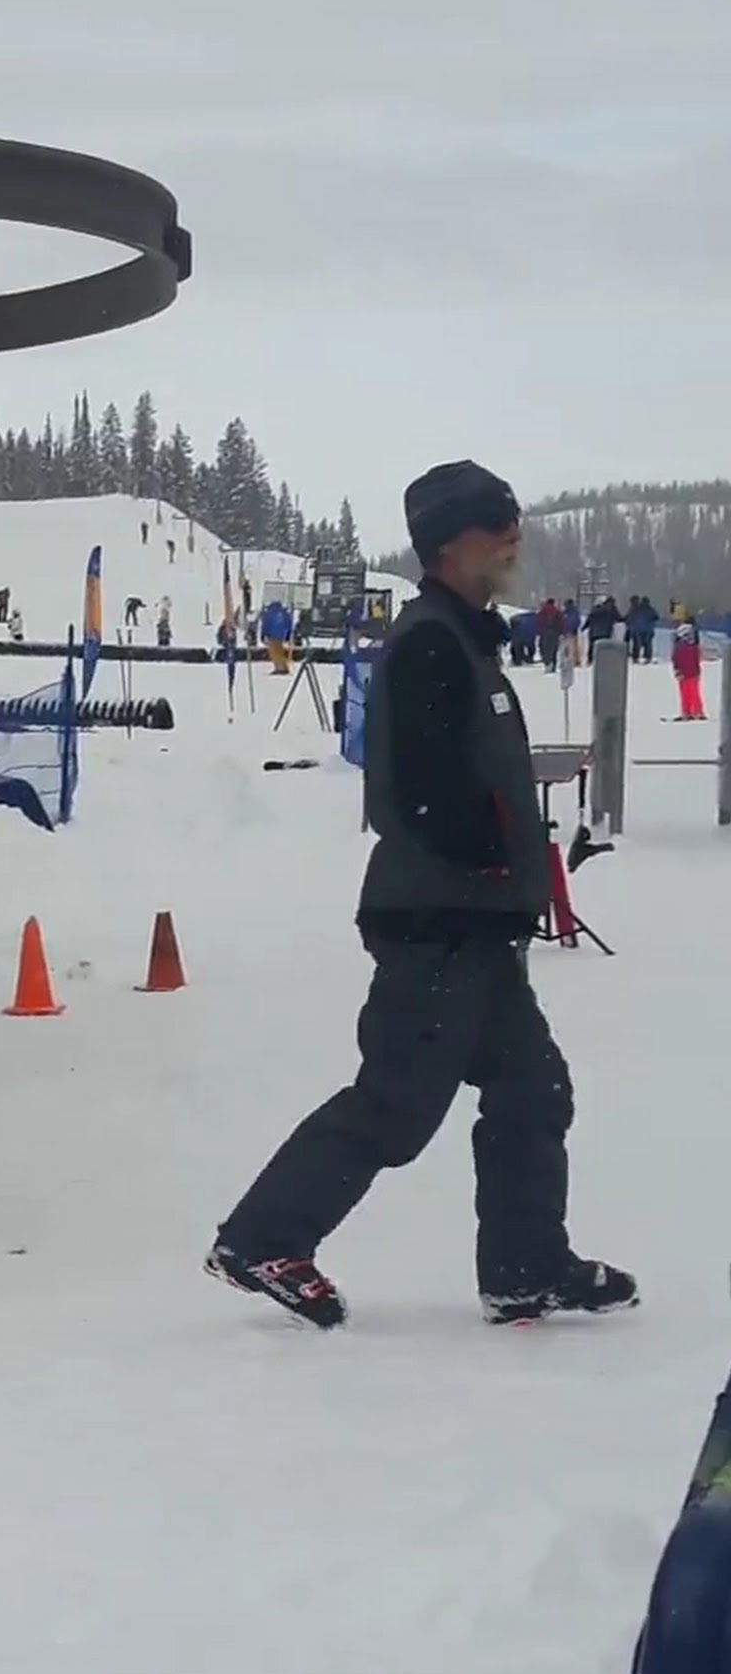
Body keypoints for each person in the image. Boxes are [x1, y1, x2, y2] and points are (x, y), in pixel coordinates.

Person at [206, 460, 638, 1330]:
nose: (514, 535)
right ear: (449, 543)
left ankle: (525, 1265)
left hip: (476, 923)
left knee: (531, 1091)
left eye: (513, 520)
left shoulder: (464, 635)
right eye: (497, 524)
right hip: (438, 923)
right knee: (399, 1100)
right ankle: (263, 1239)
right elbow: (419, 790)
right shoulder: (432, 643)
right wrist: (485, 856)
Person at [673, 620, 706, 720]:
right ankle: (693, 711)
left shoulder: (679, 648)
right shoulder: (693, 648)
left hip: (687, 673)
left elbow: (675, 660)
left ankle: (690, 711)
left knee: (688, 693)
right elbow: (698, 659)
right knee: (692, 692)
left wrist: (677, 670)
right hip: (692, 673)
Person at [261, 597, 294, 673]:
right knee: (280, 651)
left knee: (274, 653)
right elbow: (289, 623)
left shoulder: (268, 613)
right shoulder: (284, 612)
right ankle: (284, 666)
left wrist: (263, 635)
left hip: (272, 635)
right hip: (281, 635)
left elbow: (265, 625)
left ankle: (279, 668)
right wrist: (288, 634)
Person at [536, 596, 562, 672]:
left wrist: (539, 631)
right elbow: (561, 623)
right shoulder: (557, 611)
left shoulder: (543, 611)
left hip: (545, 632)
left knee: (545, 649)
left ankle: (547, 664)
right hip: (555, 633)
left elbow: (539, 621)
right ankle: (553, 665)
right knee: (554, 649)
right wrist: (561, 632)